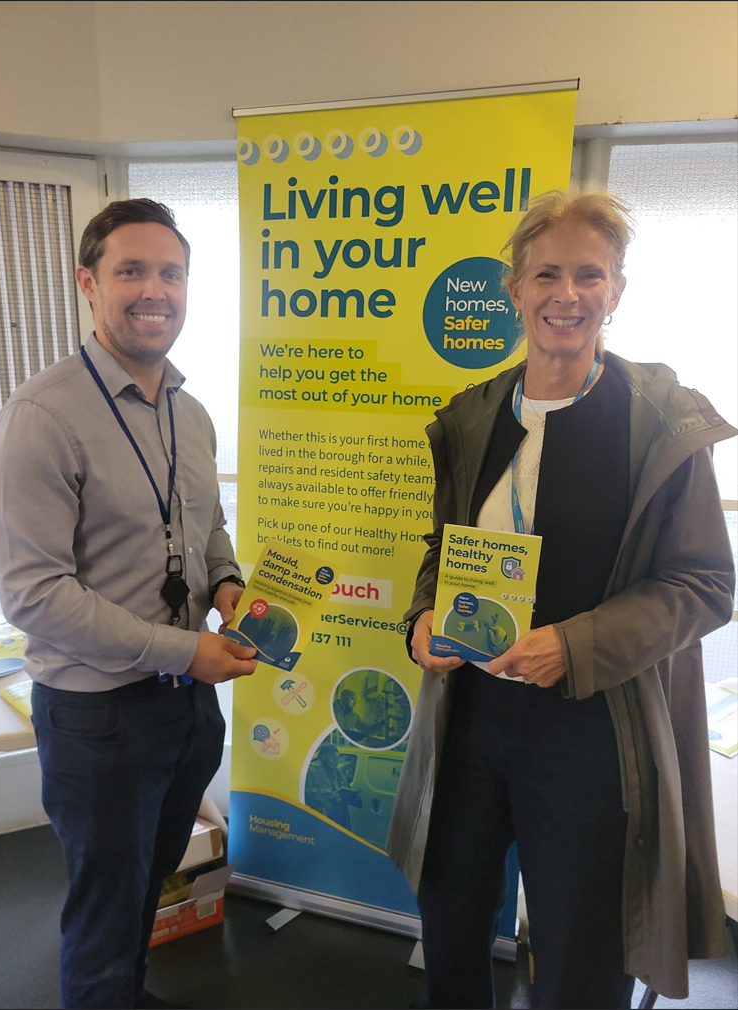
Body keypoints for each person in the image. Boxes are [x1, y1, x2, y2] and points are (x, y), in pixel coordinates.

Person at [387, 191, 736, 1010]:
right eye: (546, 273)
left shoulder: (656, 422)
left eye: (589, 275)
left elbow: (703, 584)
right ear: (513, 289)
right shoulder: (473, 414)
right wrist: (422, 619)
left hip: (590, 733)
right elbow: (443, 549)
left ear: (617, 292)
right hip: (467, 720)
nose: (566, 294)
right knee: (450, 926)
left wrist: (573, 646)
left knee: (581, 960)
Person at [0, 199, 258, 1010]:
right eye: (130, 270)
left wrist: (229, 583)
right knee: (104, 914)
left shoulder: (192, 413)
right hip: (98, 717)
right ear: (88, 283)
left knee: (146, 884)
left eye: (169, 272)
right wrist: (184, 650)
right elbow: (34, 594)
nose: (154, 290)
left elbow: (206, 530)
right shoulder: (41, 417)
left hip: (186, 709)